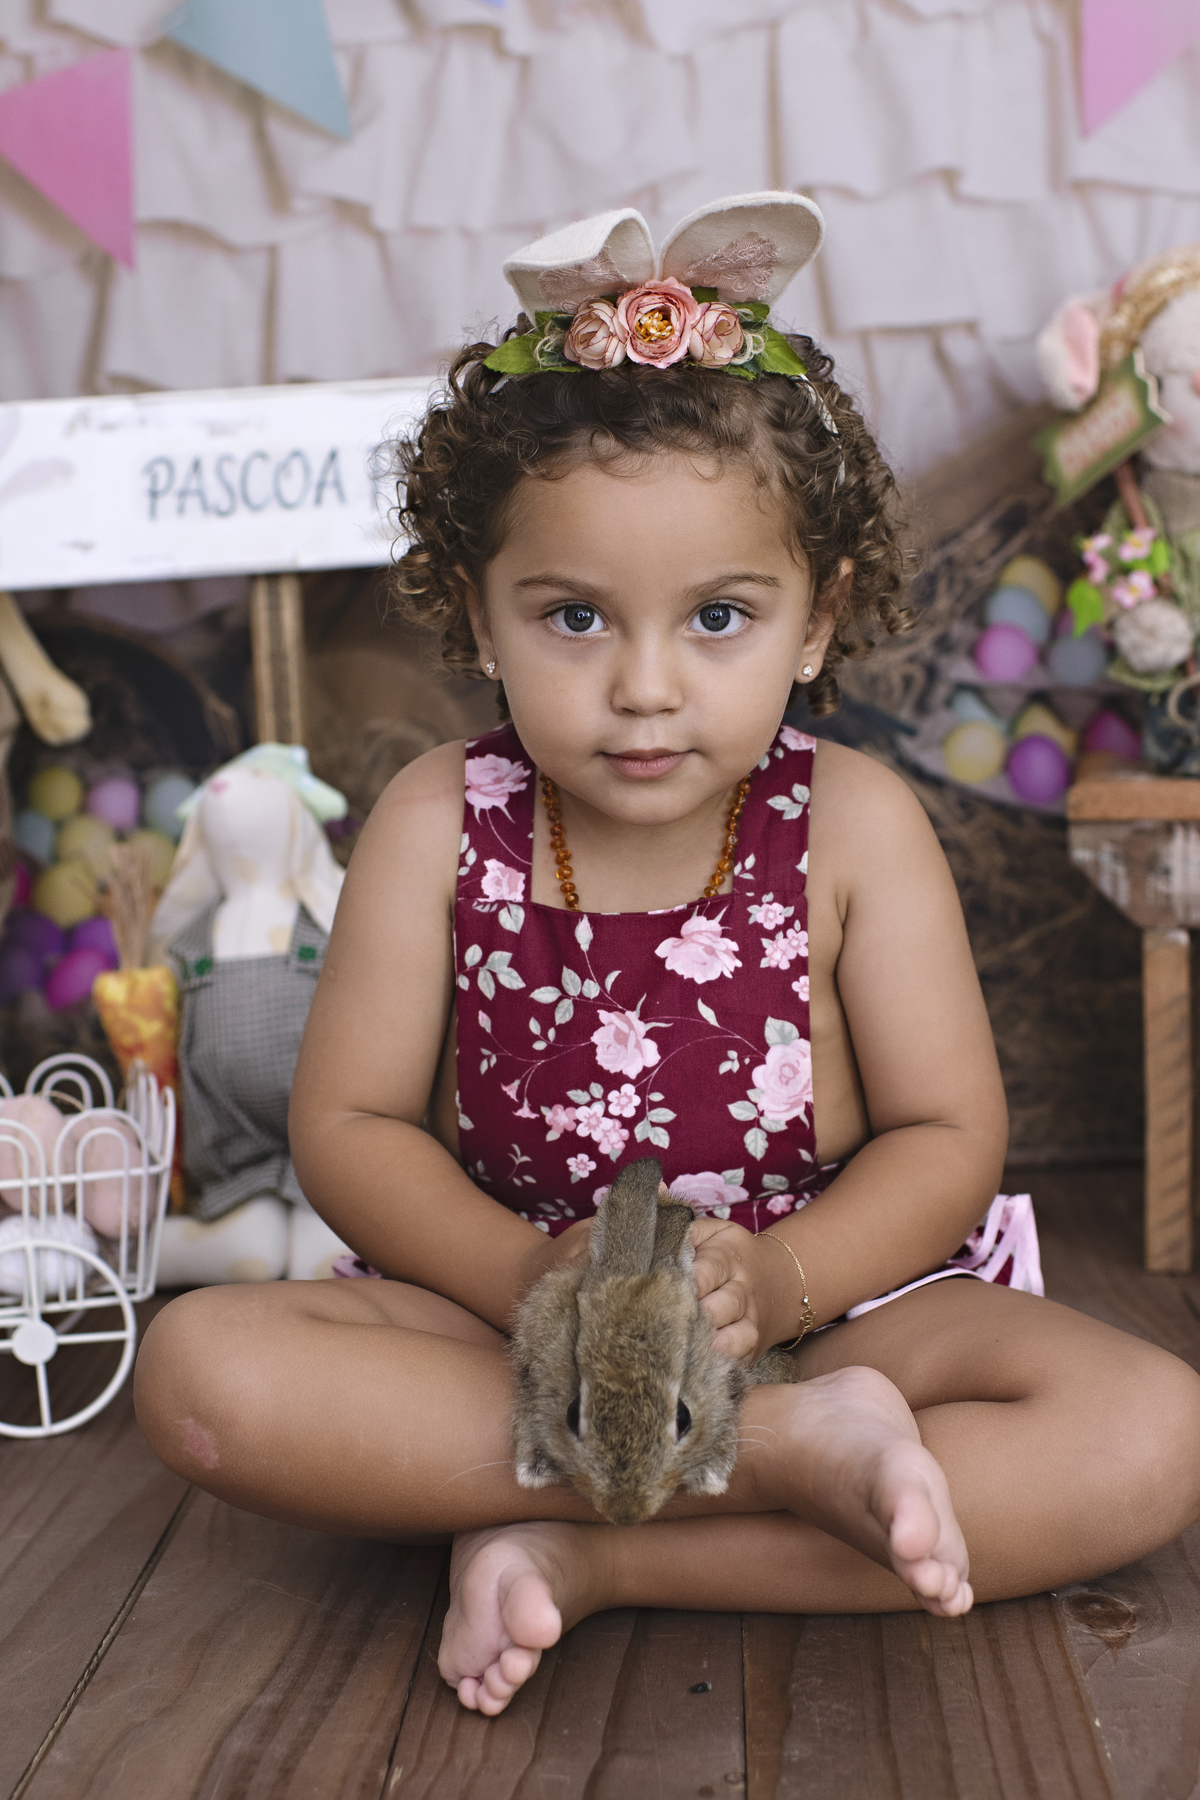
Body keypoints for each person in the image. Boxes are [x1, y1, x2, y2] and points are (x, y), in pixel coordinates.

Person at [135, 195, 1200, 1717]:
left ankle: (598, 1555)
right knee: (204, 1381)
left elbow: (950, 1135)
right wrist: (524, 1280)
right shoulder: (441, 821)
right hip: (513, 1315)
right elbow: (351, 1129)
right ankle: (777, 1460)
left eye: (718, 616)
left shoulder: (855, 825)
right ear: (479, 618)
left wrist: (783, 1278)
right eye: (573, 615)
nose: (644, 688)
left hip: (835, 1308)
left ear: (818, 621)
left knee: (1150, 1431)